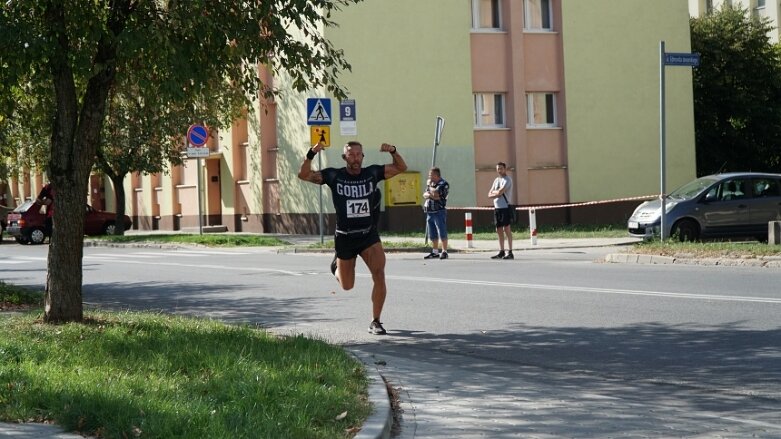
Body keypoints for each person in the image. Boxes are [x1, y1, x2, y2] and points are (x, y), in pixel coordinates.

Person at [298, 140, 408, 335]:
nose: (355, 158)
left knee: (380, 274)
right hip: (345, 237)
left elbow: (401, 167)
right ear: (344, 157)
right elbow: (304, 175)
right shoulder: (334, 175)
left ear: (363, 157)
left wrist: (393, 150)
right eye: (351, 154)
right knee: (347, 286)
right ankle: (336, 267)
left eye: (358, 154)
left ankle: (375, 321)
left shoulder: (372, 173)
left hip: (368, 235)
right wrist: (310, 154)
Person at [487, 162, 513, 260]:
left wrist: (496, 193)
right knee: (498, 230)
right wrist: (496, 193)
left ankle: (510, 252)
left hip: (505, 208)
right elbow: (489, 194)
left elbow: (501, 192)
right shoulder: (496, 180)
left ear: (505, 169)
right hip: (497, 208)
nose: (499, 170)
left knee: (507, 229)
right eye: (498, 169)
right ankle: (501, 251)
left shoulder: (508, 180)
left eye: (501, 168)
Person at [423, 167, 449, 259]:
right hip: (430, 211)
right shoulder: (432, 184)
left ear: (436, 175)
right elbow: (425, 194)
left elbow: (437, 193)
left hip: (439, 211)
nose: (429, 177)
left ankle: (444, 251)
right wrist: (431, 195)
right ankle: (435, 252)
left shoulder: (443, 183)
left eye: (430, 175)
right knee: (432, 232)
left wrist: (430, 190)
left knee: (442, 231)